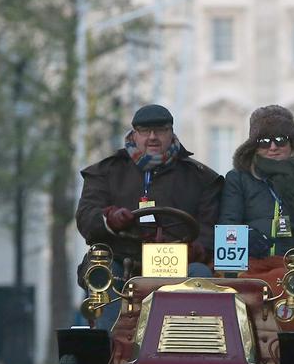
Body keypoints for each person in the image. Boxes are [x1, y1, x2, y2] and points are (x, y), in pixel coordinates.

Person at [219, 105, 294, 332]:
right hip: (250, 266)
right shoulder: (238, 179)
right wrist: (247, 237)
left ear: (292, 142)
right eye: (264, 141)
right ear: (254, 145)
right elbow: (227, 224)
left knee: (290, 287)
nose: (272, 147)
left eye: (280, 140)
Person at [76, 103, 221, 277]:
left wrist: (196, 250)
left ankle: (188, 305)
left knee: (200, 274)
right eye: (145, 130)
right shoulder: (106, 172)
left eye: (160, 130)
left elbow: (211, 227)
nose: (153, 137)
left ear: (171, 133)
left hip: (181, 264)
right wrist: (111, 219)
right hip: (121, 260)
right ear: (134, 134)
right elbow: (86, 218)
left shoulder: (202, 178)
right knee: (101, 272)